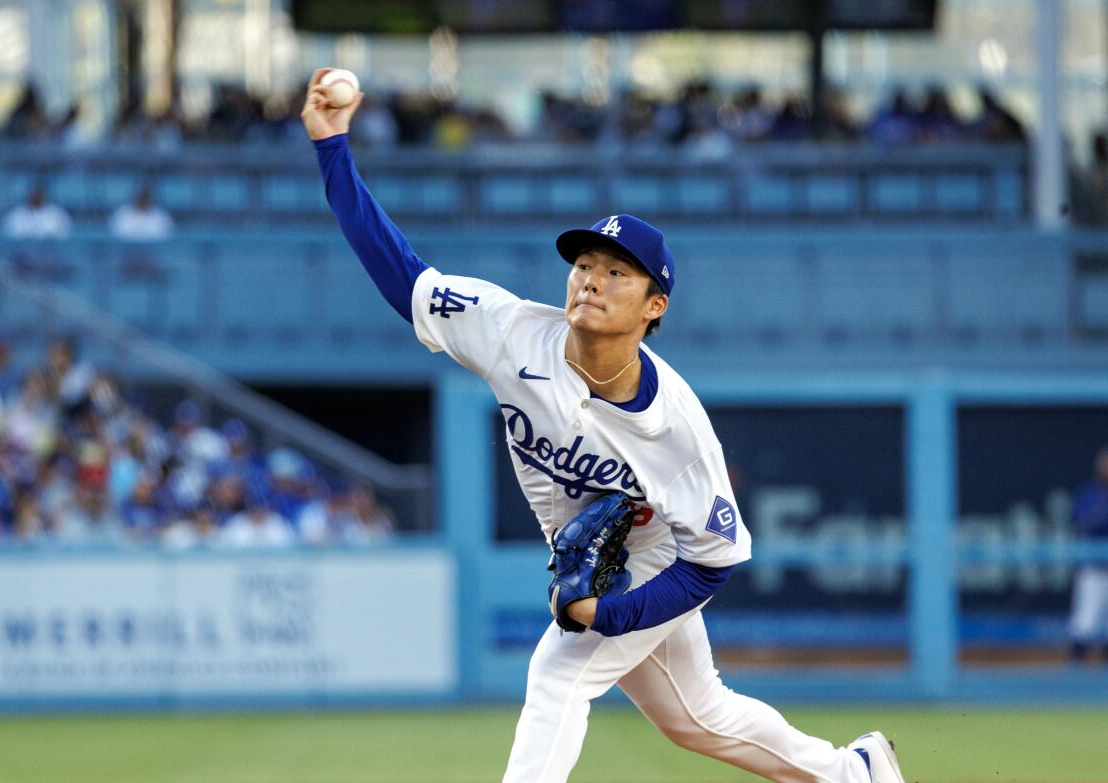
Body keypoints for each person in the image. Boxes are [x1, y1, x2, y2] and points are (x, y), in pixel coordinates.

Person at [300, 67, 905, 783]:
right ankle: (851, 771)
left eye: (618, 271)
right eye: (585, 262)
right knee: (695, 714)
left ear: (656, 306)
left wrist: (612, 614)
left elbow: (713, 559)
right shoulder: (513, 333)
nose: (591, 276)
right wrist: (332, 145)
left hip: (655, 549)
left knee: (557, 675)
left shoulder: (677, 429)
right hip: (591, 545)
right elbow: (400, 272)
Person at [1068, 447, 1108, 663]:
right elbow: (1081, 521)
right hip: (1094, 569)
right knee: (1084, 622)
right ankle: (1074, 677)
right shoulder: (1090, 493)